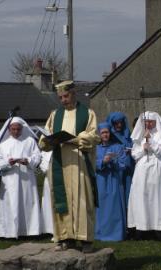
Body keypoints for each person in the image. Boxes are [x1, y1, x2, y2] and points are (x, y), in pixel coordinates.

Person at [39, 80, 100, 252]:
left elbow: (93, 136)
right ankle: (66, 238)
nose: (63, 100)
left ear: (73, 94)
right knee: (61, 199)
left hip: (79, 162)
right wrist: (46, 141)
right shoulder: (54, 115)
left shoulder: (87, 113)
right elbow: (45, 136)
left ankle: (85, 239)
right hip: (60, 163)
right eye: (60, 97)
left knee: (82, 199)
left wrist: (76, 139)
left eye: (66, 96)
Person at [128, 111, 161, 239]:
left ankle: (160, 229)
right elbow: (135, 154)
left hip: (157, 169)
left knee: (157, 197)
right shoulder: (139, 134)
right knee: (142, 196)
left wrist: (152, 142)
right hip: (142, 170)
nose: (147, 124)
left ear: (155, 122)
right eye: (145, 122)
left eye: (150, 122)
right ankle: (142, 228)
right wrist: (143, 148)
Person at [0, 117, 42, 238]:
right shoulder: (3, 144)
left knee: (28, 201)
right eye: (13, 129)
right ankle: (9, 232)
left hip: (27, 178)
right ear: (9, 129)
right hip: (10, 178)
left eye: (18, 129)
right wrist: (8, 163)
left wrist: (28, 160)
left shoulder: (30, 141)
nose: (16, 132)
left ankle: (30, 231)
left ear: (22, 129)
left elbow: (37, 157)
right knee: (11, 203)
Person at [95, 122, 127, 241]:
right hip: (100, 181)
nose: (105, 135)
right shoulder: (95, 148)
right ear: (99, 134)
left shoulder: (118, 147)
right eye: (103, 132)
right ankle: (100, 234)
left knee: (114, 208)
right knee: (101, 208)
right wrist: (102, 162)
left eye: (107, 132)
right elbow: (91, 163)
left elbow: (123, 164)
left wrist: (112, 161)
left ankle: (115, 234)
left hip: (114, 181)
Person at [106, 112, 134, 207]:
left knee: (128, 192)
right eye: (116, 123)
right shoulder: (109, 135)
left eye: (121, 122)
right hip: (116, 168)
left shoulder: (126, 133)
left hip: (128, 168)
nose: (119, 125)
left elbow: (131, 145)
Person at [38, 150, 54, 235]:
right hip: (49, 178)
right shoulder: (46, 151)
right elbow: (43, 165)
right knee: (48, 203)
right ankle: (49, 228)